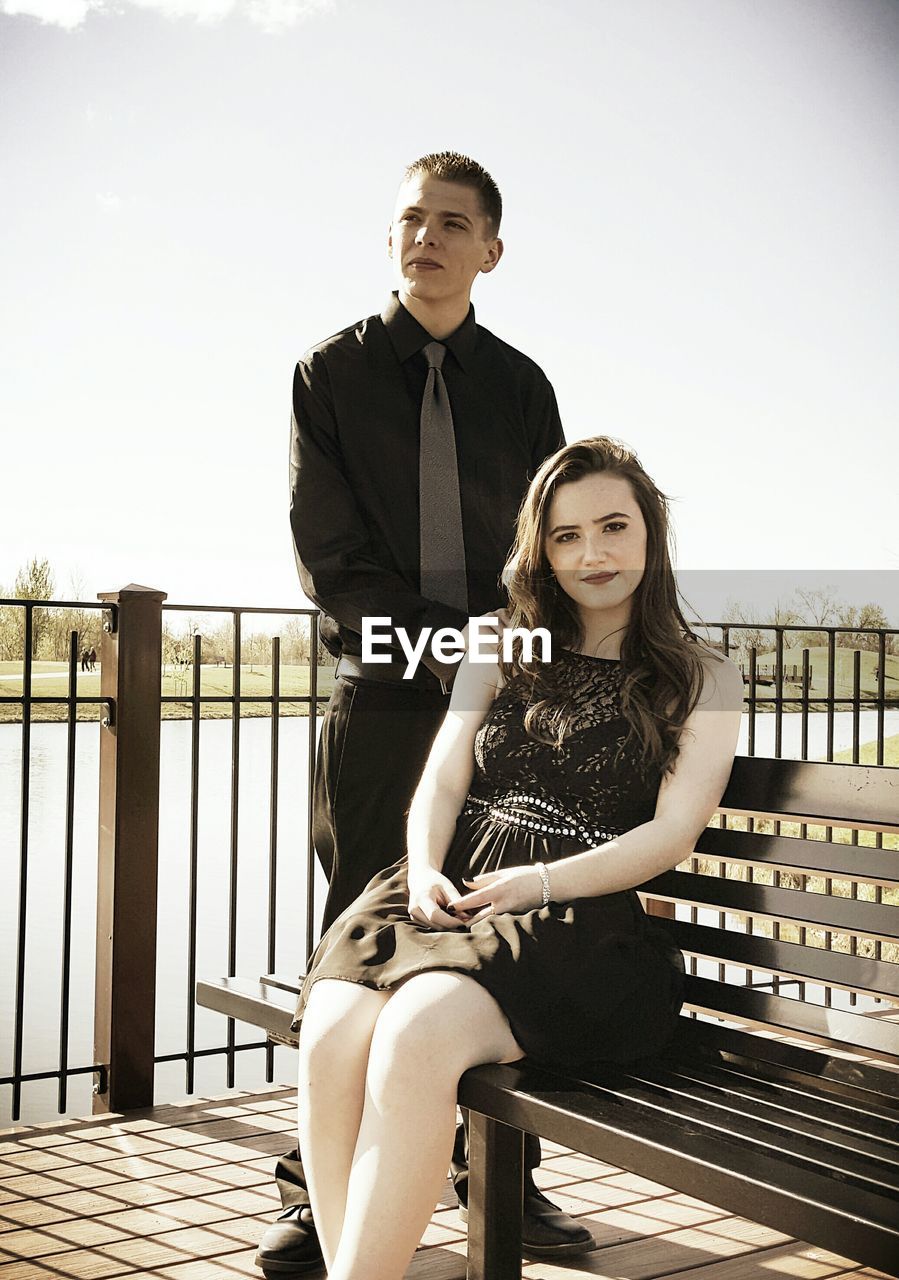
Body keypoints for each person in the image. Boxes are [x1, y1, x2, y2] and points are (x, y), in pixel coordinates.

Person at [291, 436, 744, 1280]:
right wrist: (423, 867)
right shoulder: (499, 640)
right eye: (566, 536)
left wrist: (537, 883)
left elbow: (670, 836)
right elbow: (445, 769)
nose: (592, 554)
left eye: (613, 526)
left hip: (577, 919)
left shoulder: (698, 674)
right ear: (540, 550)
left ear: (651, 533)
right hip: (451, 886)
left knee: (416, 1035)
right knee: (331, 1032)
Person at [259, 151, 584, 1273]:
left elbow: (545, 549)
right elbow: (330, 559)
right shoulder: (326, 374)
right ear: (389, 239)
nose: (426, 237)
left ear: (489, 247)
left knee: (483, 927)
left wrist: (513, 667)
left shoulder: (523, 387)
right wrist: (455, 651)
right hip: (383, 703)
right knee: (358, 933)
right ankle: (318, 1192)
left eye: (452, 223)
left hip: (503, 714)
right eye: (409, 219)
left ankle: (501, 1174)